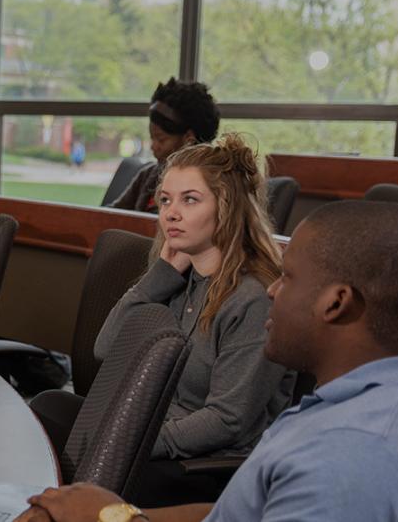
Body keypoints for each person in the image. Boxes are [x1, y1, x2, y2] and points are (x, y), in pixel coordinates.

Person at [16, 200, 398, 522]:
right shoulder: (355, 403)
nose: (273, 291)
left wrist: (110, 520)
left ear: (336, 303)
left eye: (289, 277)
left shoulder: (353, 454)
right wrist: (112, 512)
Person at [94, 133, 292, 505]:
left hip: (208, 465)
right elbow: (106, 349)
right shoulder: (177, 279)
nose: (170, 213)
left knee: (90, 470)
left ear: (227, 207)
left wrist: (135, 441)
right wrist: (160, 276)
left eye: (190, 200)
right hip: (154, 433)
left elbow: (227, 420)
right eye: (165, 200)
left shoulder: (254, 298)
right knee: (51, 406)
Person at [107, 79, 220, 213]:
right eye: (152, 137)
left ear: (189, 140)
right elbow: (110, 217)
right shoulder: (147, 175)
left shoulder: (213, 185)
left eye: (161, 139)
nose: (153, 146)